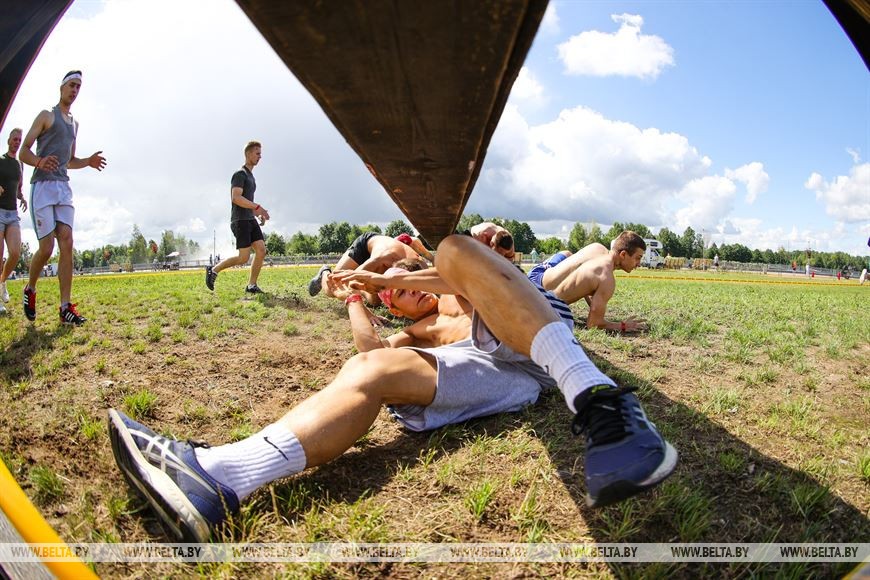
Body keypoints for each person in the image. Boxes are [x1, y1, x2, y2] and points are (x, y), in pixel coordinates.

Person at [108, 234, 677, 542]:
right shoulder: (425, 328)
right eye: (398, 301)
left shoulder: (458, 285)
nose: (405, 296)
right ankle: (219, 479)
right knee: (370, 374)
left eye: (407, 288)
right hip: (497, 367)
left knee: (458, 247)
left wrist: (384, 274)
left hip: (532, 347)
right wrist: (362, 297)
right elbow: (373, 354)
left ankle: (600, 400)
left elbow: (445, 260)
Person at [18, 70, 107, 325]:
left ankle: (65, 307)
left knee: (67, 241)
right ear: (61, 87)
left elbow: (69, 161)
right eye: (71, 85)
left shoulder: (74, 124)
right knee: (47, 248)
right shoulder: (47, 116)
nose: (75, 90)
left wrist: (87, 162)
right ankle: (30, 288)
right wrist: (39, 161)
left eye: (78, 86)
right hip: (43, 186)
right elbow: (24, 151)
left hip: (62, 187)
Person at [527, 231, 648, 333]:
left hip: (538, 273)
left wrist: (587, 291)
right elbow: (593, 324)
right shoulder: (606, 278)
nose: (638, 264)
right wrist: (623, 325)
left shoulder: (597, 247)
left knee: (567, 254)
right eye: (638, 258)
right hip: (538, 296)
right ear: (623, 254)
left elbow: (581, 274)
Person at [205, 141, 270, 294]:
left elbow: (246, 202)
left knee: (261, 250)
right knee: (243, 258)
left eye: (260, 153)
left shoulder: (251, 177)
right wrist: (257, 207)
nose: (260, 156)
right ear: (248, 154)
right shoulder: (239, 174)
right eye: (257, 153)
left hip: (249, 219)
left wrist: (258, 213)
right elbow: (236, 198)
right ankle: (213, 270)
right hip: (240, 220)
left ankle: (251, 285)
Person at [306, 232, 426, 303]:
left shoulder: (421, 266)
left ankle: (368, 290)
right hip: (365, 247)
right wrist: (368, 315)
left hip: (389, 257)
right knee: (333, 288)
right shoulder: (382, 258)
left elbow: (435, 285)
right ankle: (325, 271)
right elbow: (350, 280)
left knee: (376, 300)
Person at [0, 128, 29, 314]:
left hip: (12, 213)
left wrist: (22, 197)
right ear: (8, 140)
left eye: (20, 139)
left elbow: (18, 188)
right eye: (14, 139)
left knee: (16, 253)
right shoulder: (1, 160)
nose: (17, 142)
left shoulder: (20, 164)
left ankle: (2, 282)